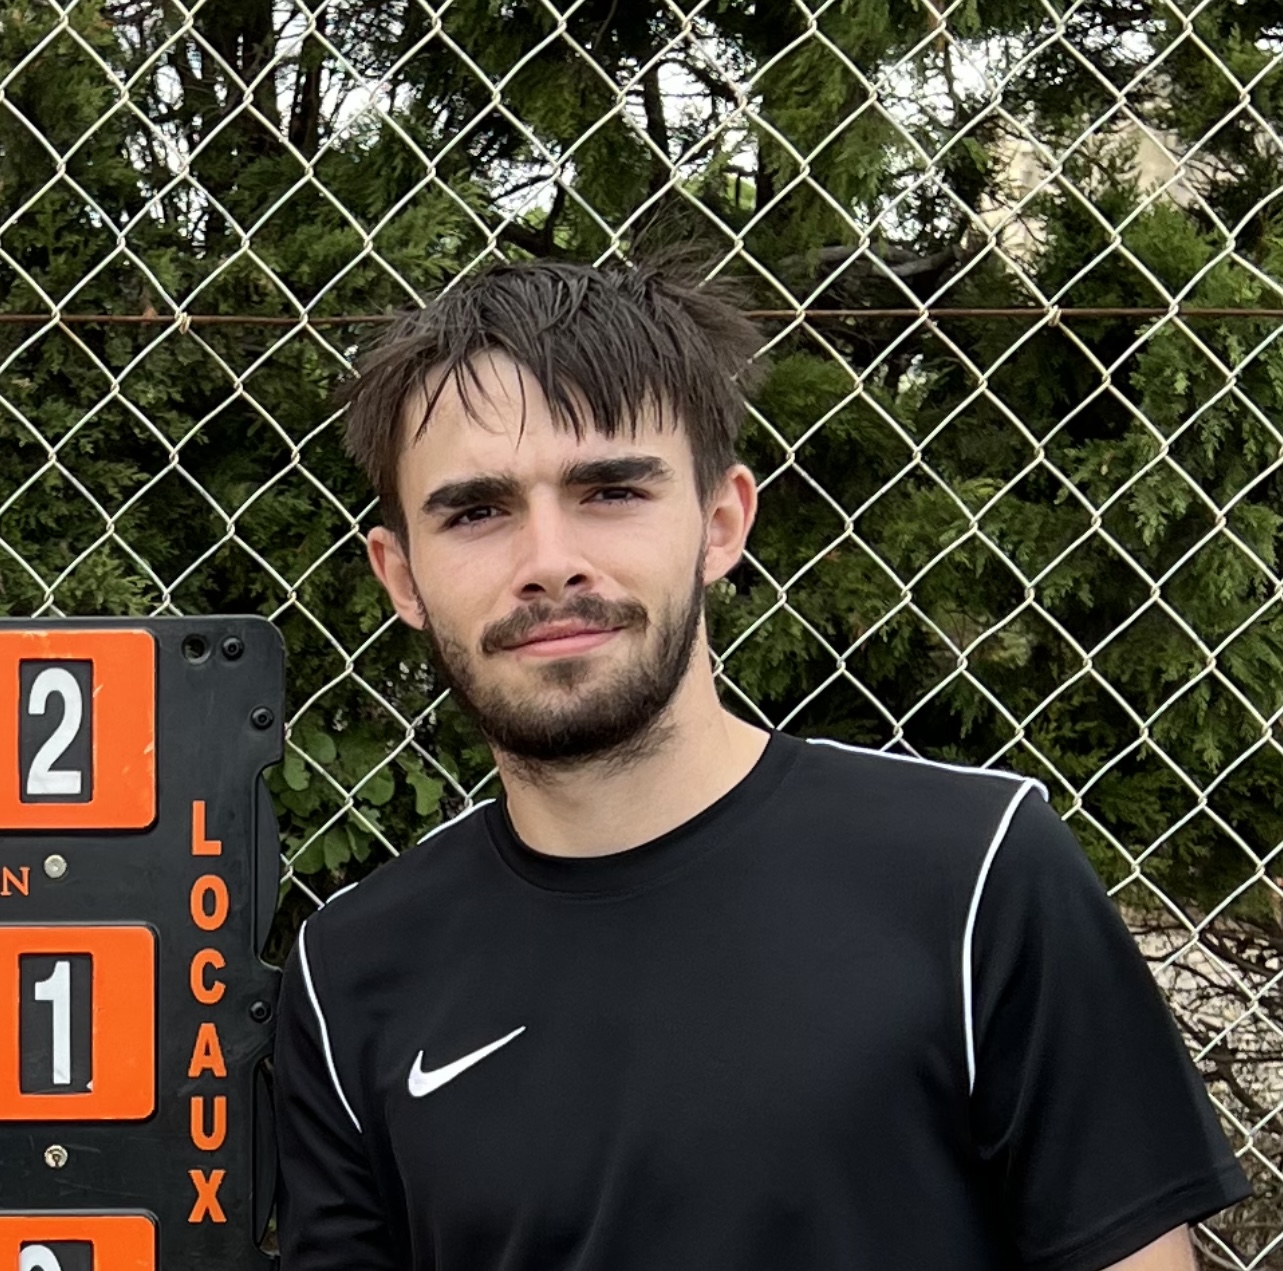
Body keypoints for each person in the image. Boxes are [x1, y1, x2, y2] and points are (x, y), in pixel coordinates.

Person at [272, 258, 1251, 1270]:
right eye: (477, 511)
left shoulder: (974, 874)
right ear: (401, 575)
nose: (549, 560)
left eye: (610, 490)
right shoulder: (351, 970)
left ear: (721, 523)